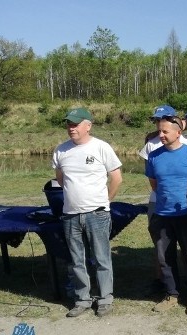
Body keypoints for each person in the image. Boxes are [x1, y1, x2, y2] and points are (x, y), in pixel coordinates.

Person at [52, 107, 122, 318]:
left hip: (97, 214)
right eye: (69, 124)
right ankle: (82, 299)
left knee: (101, 258)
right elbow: (60, 178)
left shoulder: (101, 147)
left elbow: (116, 178)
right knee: (76, 259)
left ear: (88, 125)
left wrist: (104, 202)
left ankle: (105, 298)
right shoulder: (61, 150)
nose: (71, 128)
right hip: (70, 214)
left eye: (75, 124)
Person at [145, 115, 187, 315]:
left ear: (178, 132)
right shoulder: (154, 156)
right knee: (165, 257)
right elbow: (154, 184)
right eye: (159, 131)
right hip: (162, 214)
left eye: (165, 131)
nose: (160, 135)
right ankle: (172, 293)